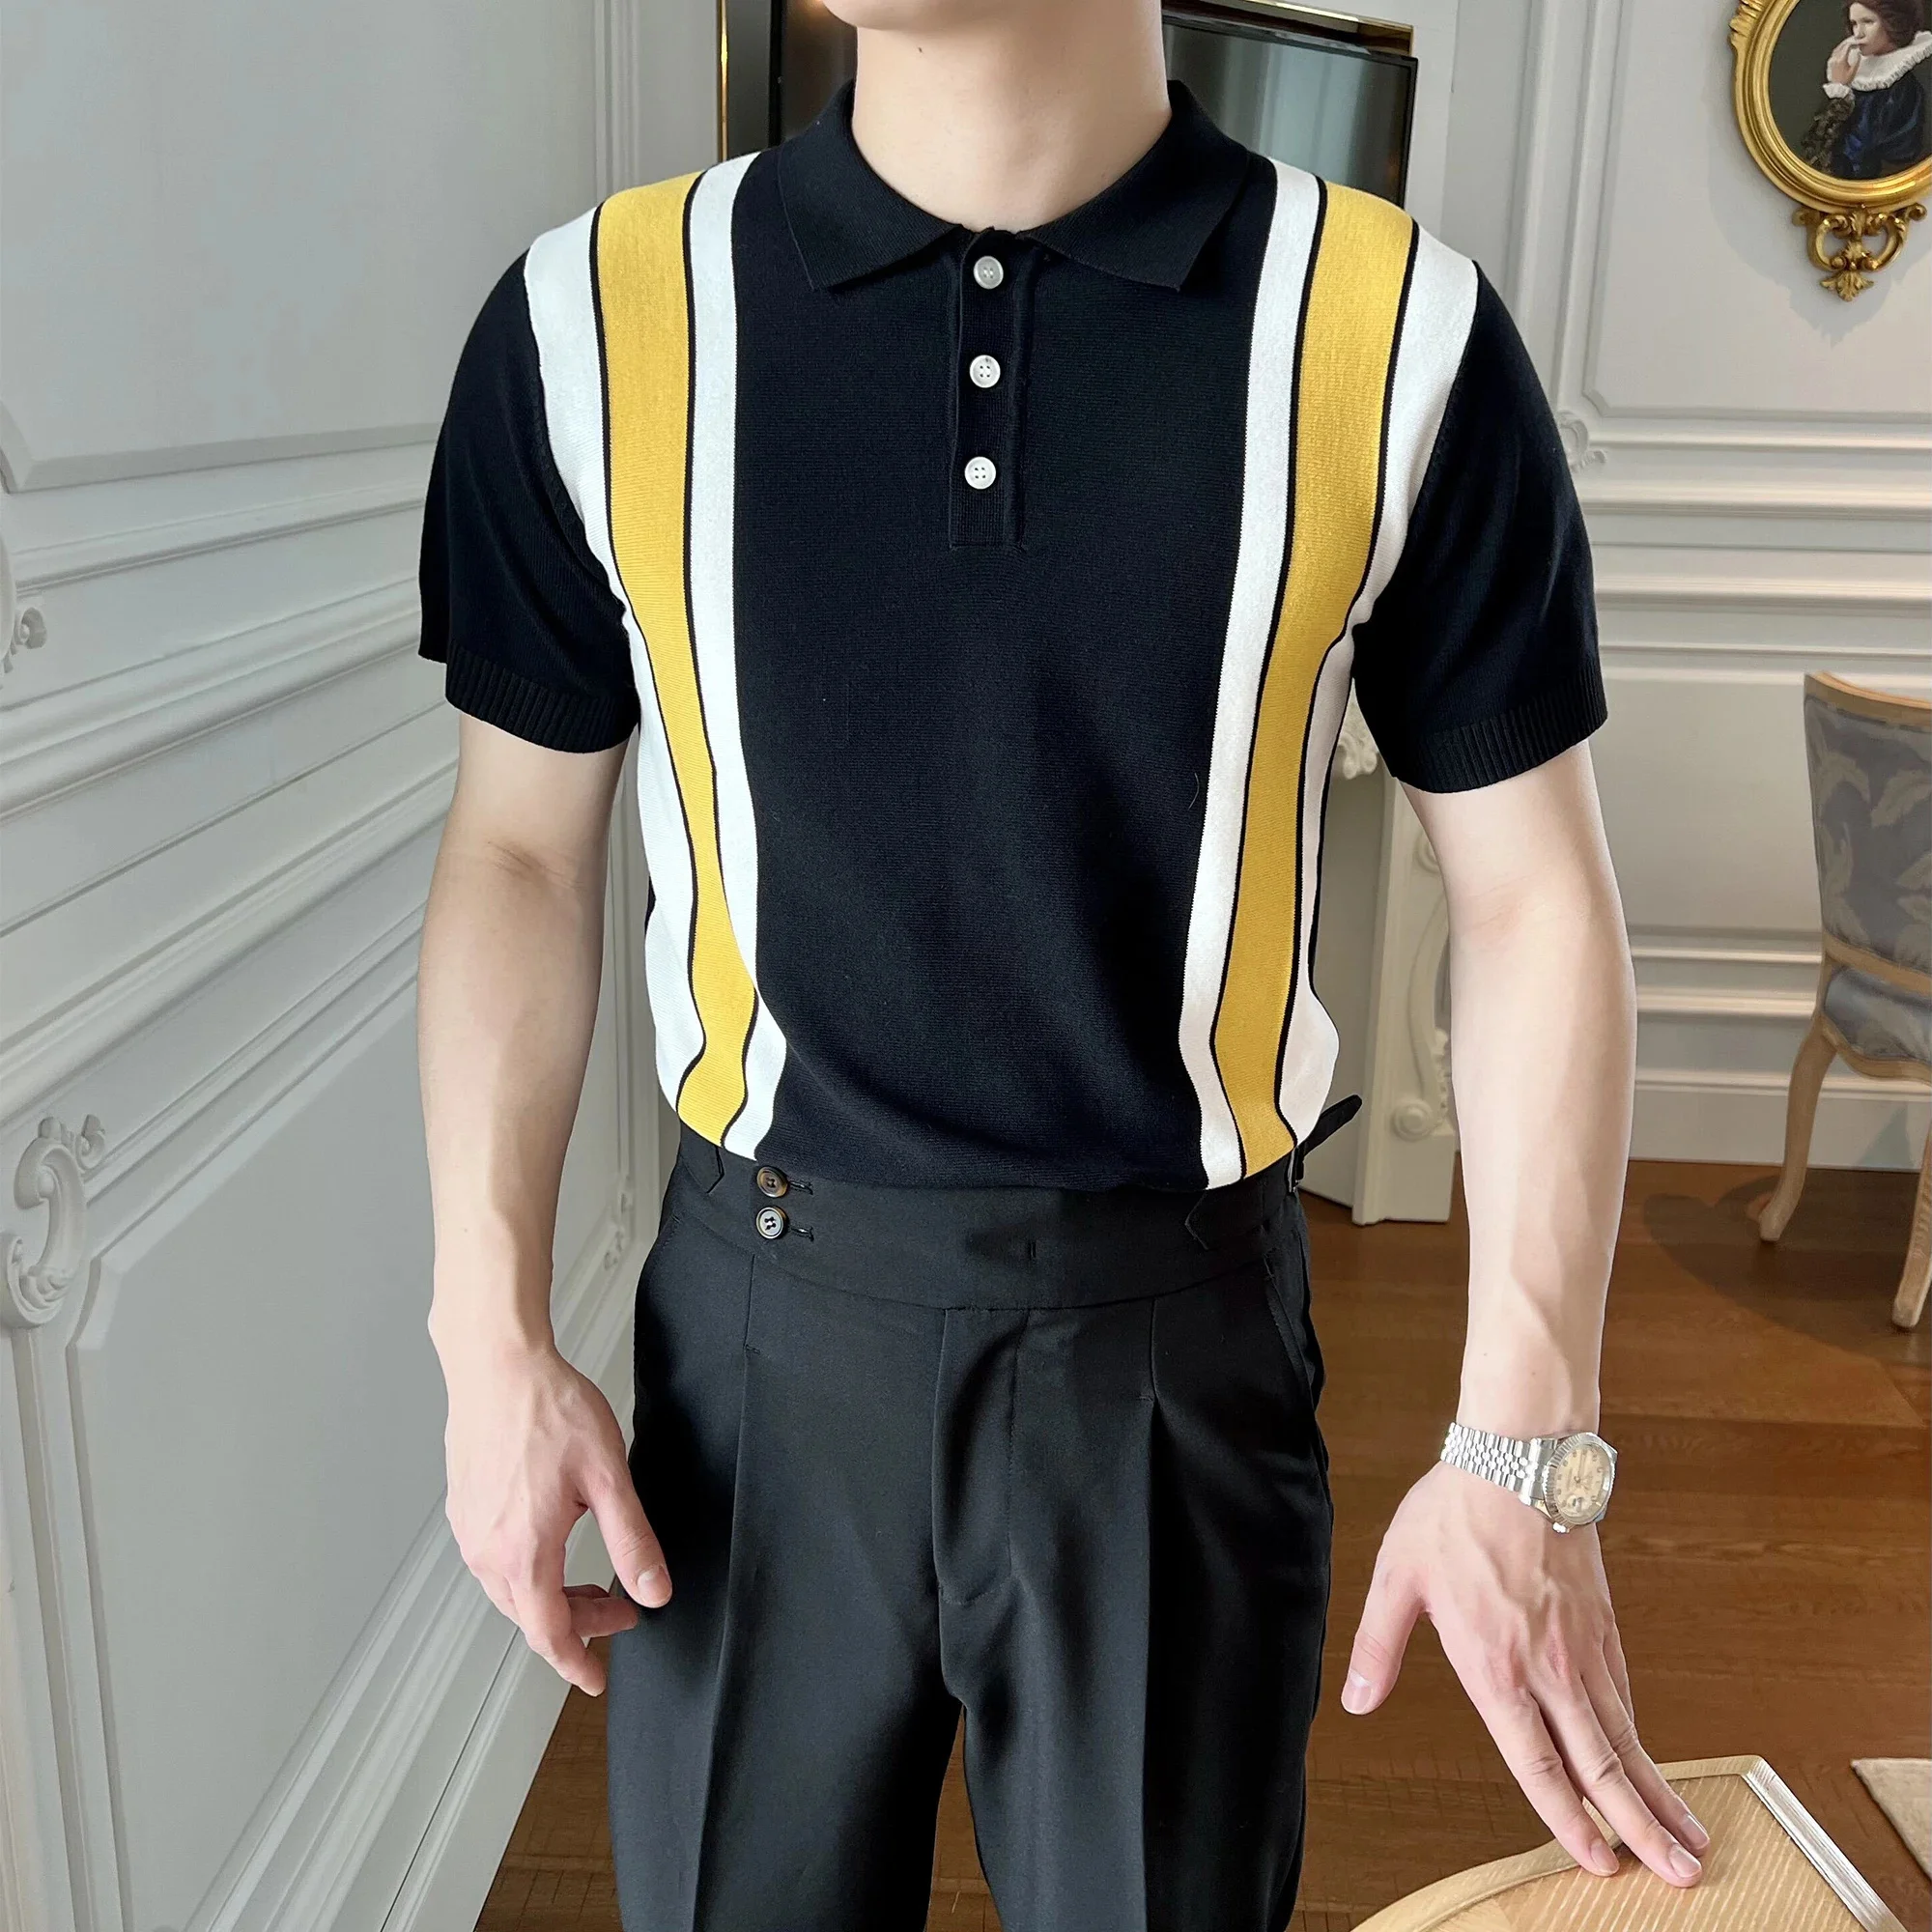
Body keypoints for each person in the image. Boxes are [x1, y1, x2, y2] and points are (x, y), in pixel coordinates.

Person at [413, 3, 1714, 1925]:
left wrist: (1530, 1436)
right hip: (758, 1360)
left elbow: (1530, 895)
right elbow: (519, 849)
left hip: (1170, 1360)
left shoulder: (1392, 331)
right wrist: (486, 1337)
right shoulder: (592, 322)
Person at [1800, 0, 1931, 180]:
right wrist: (1840, 87)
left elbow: (1854, 159)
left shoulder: (1898, 89)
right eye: (1854, 23)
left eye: (1868, 22)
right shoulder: (1854, 73)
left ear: (1894, 23)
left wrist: (1840, 93)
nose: (1858, 34)